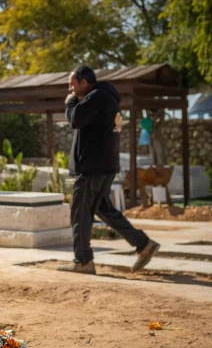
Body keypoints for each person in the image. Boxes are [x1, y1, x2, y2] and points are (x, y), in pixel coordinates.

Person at [60, 65, 159, 274]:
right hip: (103, 166)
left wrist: (70, 104)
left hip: (92, 168)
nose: (70, 88)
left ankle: (83, 261)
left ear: (84, 82)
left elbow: (75, 119)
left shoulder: (96, 97)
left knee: (80, 213)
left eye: (72, 84)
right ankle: (144, 244)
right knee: (103, 209)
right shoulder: (106, 98)